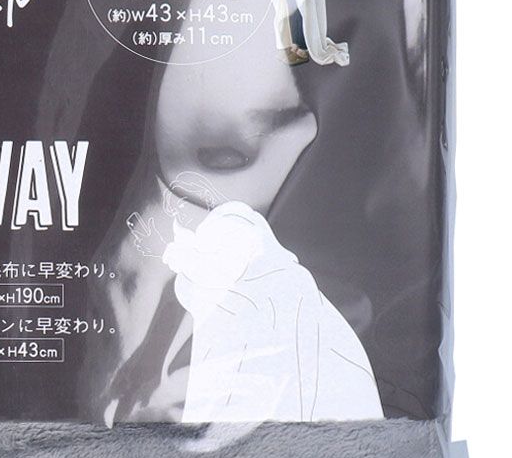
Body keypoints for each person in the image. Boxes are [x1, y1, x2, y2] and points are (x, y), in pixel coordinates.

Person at [127, 173, 383, 423]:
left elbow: (224, 272)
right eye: (175, 211)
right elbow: (202, 284)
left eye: (183, 206)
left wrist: (173, 253)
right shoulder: (205, 238)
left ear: (201, 198)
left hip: (278, 318)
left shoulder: (234, 223)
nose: (181, 215)